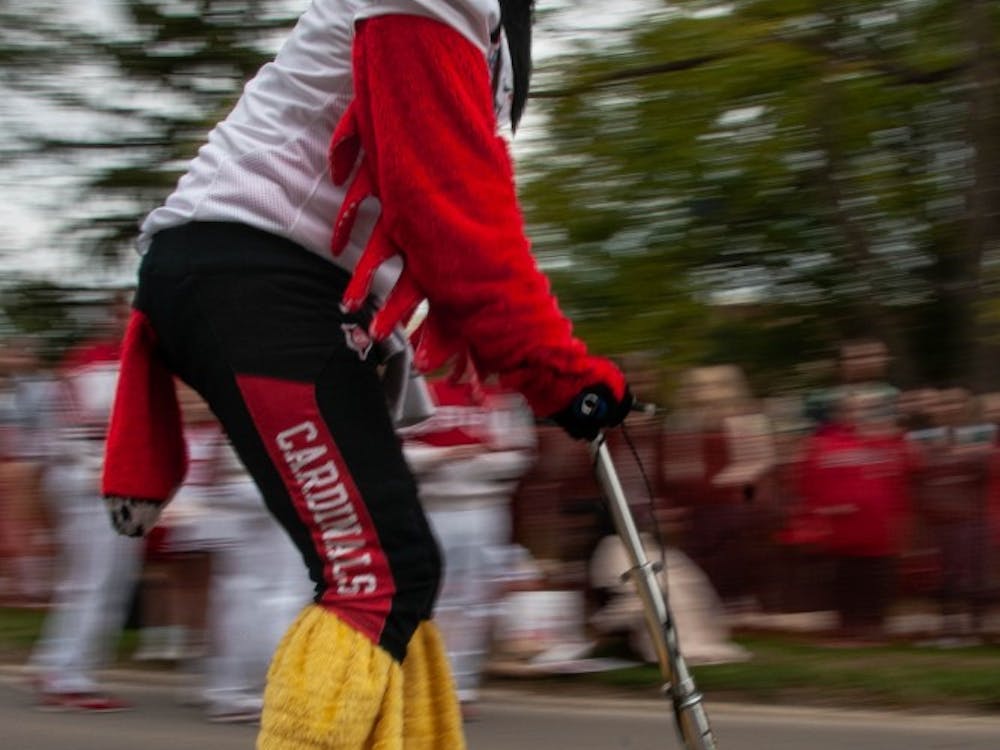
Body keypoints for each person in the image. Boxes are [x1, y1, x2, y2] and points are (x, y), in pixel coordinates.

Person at [100, 3, 632, 749]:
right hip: (251, 272)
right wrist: (557, 370)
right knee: (376, 579)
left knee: (397, 574)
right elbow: (448, 206)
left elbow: (460, 196)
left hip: (265, 276)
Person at [29, 299, 143, 711]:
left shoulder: (110, 362)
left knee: (94, 582)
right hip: (96, 484)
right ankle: (67, 676)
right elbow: (91, 432)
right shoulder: (97, 364)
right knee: (98, 581)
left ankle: (58, 664)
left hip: (98, 482)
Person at [400, 372, 535, 713]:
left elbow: (518, 455)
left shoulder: (501, 393)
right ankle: (419, 686)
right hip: (432, 508)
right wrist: (443, 458)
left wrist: (474, 461)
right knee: (428, 601)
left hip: (484, 508)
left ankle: (459, 688)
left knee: (475, 604)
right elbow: (394, 451)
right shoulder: (414, 387)